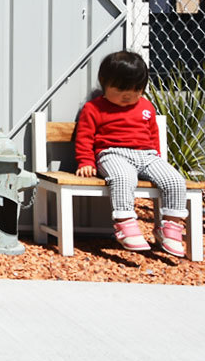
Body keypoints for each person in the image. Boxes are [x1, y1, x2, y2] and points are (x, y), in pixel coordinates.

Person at [74, 51, 188, 257]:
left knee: (175, 180)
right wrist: (85, 161)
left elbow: (153, 136)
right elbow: (84, 137)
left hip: (147, 155)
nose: (128, 95)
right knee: (123, 177)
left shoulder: (146, 107)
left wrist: (158, 162)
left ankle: (171, 229)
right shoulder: (94, 108)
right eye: (120, 89)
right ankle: (125, 224)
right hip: (112, 154)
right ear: (104, 83)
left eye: (136, 90)